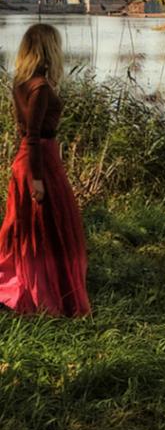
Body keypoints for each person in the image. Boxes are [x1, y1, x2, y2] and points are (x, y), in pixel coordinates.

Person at [0, 23, 90, 316]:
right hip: (39, 160)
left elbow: (25, 133)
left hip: (27, 159)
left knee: (31, 226)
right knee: (53, 226)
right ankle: (50, 294)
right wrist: (38, 178)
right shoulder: (39, 88)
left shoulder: (21, 83)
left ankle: (36, 284)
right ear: (48, 49)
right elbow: (34, 134)